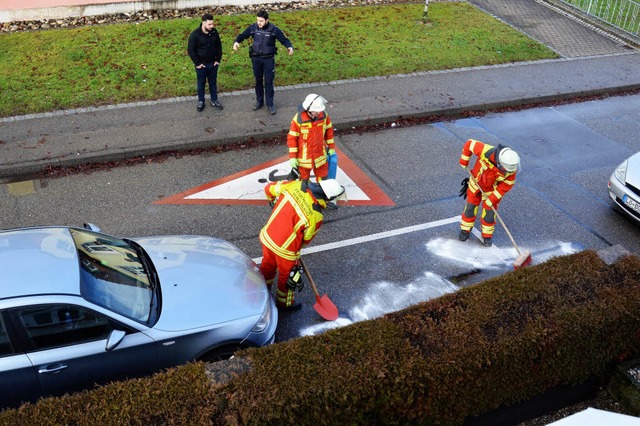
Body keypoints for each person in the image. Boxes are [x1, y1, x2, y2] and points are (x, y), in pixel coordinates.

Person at [259, 179, 345, 310]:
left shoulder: (295, 185)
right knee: (288, 277)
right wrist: (295, 250)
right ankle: (284, 304)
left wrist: (272, 200)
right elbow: (306, 239)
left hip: (268, 236)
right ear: (327, 198)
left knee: (268, 265)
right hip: (286, 251)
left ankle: (261, 290)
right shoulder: (316, 215)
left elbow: (269, 189)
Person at [457, 139, 520, 247]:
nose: (507, 172)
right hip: (475, 184)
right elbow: (469, 144)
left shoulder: (511, 168)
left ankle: (487, 234)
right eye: (505, 169)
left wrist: (493, 198)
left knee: (489, 213)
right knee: (470, 207)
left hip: (492, 191)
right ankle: (465, 229)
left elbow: (506, 185)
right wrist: (464, 160)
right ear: (500, 162)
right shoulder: (487, 151)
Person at [232, 9, 293, 115]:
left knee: (269, 82)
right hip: (256, 59)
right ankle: (259, 102)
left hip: (268, 59)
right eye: (257, 21)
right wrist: (237, 42)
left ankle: (270, 104)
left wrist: (289, 47)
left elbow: (284, 39)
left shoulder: (274, 29)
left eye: (261, 21)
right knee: (258, 81)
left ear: (267, 20)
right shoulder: (253, 28)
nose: (259, 23)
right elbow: (243, 35)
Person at [287, 94, 335, 183]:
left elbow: (329, 131)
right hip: (304, 159)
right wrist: (293, 157)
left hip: (320, 156)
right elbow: (292, 139)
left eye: (319, 111)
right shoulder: (298, 119)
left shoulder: (324, 116)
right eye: (315, 111)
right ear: (308, 109)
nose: (318, 113)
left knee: (323, 180)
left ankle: (321, 194)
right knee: (304, 182)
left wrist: (331, 147)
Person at [188, 13, 224, 112]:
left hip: (213, 64)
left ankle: (214, 100)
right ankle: (201, 101)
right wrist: (198, 63)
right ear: (203, 23)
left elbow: (219, 47)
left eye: (212, 24)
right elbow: (191, 50)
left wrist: (218, 60)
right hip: (201, 65)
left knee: (213, 82)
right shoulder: (195, 35)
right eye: (209, 24)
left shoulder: (214, 32)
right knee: (201, 83)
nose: (212, 26)